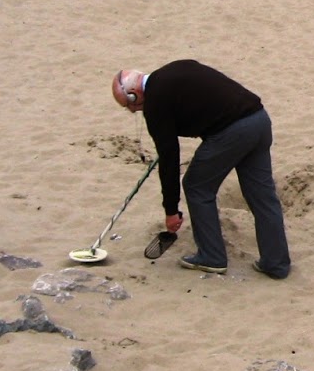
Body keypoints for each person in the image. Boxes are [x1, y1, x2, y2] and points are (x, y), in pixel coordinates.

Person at [111, 60, 291, 278]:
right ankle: (277, 264)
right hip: (259, 121)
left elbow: (169, 158)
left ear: (133, 94)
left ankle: (211, 256)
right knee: (263, 196)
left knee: (196, 186)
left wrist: (171, 210)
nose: (131, 111)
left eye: (128, 104)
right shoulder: (173, 70)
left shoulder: (155, 102)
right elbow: (201, 105)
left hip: (233, 132)